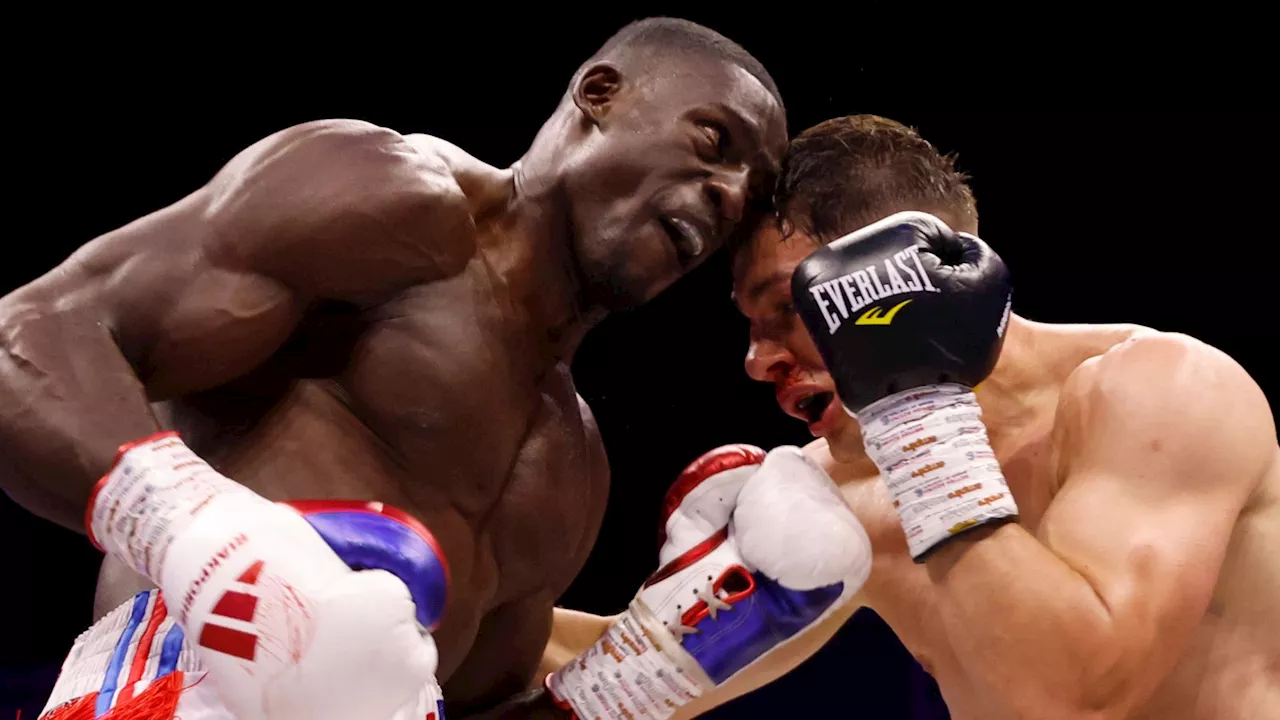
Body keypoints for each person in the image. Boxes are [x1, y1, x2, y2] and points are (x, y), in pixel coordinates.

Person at [0, 17, 881, 720]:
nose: (726, 193)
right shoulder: (390, 204)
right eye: (712, 141)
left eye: (747, 190)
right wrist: (204, 543)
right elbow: (28, 336)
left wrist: (658, 664)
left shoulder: (570, 466)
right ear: (600, 95)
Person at [542, 114, 1280, 719]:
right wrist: (438, 600)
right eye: (749, 324)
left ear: (911, 277)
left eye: (786, 311)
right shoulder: (839, 491)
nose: (756, 361)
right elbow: (628, 679)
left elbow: (1075, 696)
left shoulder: (1163, 391)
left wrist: (918, 422)